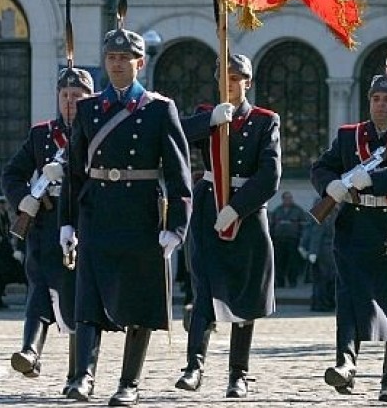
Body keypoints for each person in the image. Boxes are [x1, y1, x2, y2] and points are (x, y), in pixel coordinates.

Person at [59, 26, 192, 405]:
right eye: (111, 58)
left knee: (139, 302)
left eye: (124, 59)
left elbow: (179, 173)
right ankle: (83, 377)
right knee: (89, 298)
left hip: (141, 216)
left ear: (140, 62)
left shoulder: (158, 108)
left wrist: (176, 227)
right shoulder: (88, 108)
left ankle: (128, 383)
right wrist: (66, 222)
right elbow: (73, 172)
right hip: (97, 212)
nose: (116, 65)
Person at [311, 73, 387, 403]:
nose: (381, 105)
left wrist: (374, 178)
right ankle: (345, 364)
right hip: (356, 226)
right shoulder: (349, 137)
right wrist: (329, 186)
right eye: (376, 99)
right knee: (350, 299)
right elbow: (321, 167)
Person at [174, 53, 281, 398]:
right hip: (208, 207)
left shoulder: (266, 121)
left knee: (245, 294)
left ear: (247, 82)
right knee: (203, 289)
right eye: (224, 77)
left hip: (246, 212)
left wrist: (237, 208)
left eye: (236, 78)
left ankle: (238, 373)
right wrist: (208, 123)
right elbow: (175, 137)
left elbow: (270, 174)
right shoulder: (208, 114)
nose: (230, 84)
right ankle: (194, 366)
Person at [2, 67, 94, 385]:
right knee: (39, 285)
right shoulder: (42, 134)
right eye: (65, 96)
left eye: (77, 96)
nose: (69, 102)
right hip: (45, 222)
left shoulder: (97, 132)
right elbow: (12, 173)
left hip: (82, 222)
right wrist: (23, 199)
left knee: (76, 295)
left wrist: (70, 172)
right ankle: (30, 351)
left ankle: (79, 370)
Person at [269, 191, 308, 288]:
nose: (288, 200)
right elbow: (272, 225)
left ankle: (292, 281)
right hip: (279, 240)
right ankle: (280, 282)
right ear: (283, 199)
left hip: (293, 240)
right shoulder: (277, 210)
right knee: (279, 262)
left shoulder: (298, 210)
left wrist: (302, 238)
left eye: (289, 198)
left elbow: (304, 225)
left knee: (293, 262)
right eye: (286, 198)